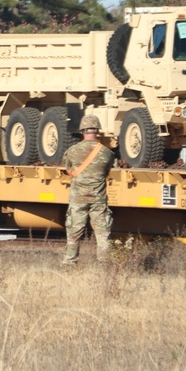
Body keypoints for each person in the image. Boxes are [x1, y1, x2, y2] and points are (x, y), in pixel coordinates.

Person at [61, 114, 115, 266]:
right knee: (103, 234)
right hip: (98, 200)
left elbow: (68, 170)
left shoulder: (72, 151)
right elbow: (107, 172)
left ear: (82, 130)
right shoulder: (106, 153)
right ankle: (104, 265)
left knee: (74, 233)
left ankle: (69, 263)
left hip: (78, 200)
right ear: (98, 130)